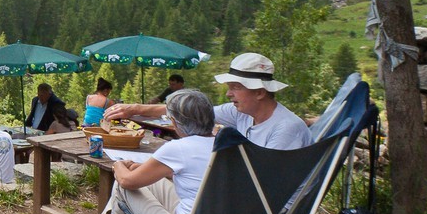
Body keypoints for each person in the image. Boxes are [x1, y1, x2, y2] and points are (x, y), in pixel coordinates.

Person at [82, 88, 218, 214]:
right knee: (156, 182)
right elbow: (192, 175)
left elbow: (128, 181)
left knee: (124, 185)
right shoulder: (222, 146)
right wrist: (145, 169)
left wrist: (118, 165)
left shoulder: (178, 148)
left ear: (175, 121)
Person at [106, 53, 310, 150]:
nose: (228, 94)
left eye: (235, 87)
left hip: (269, 211)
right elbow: (190, 111)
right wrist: (135, 109)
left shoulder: (286, 128)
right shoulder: (241, 112)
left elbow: (265, 183)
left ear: (259, 92)